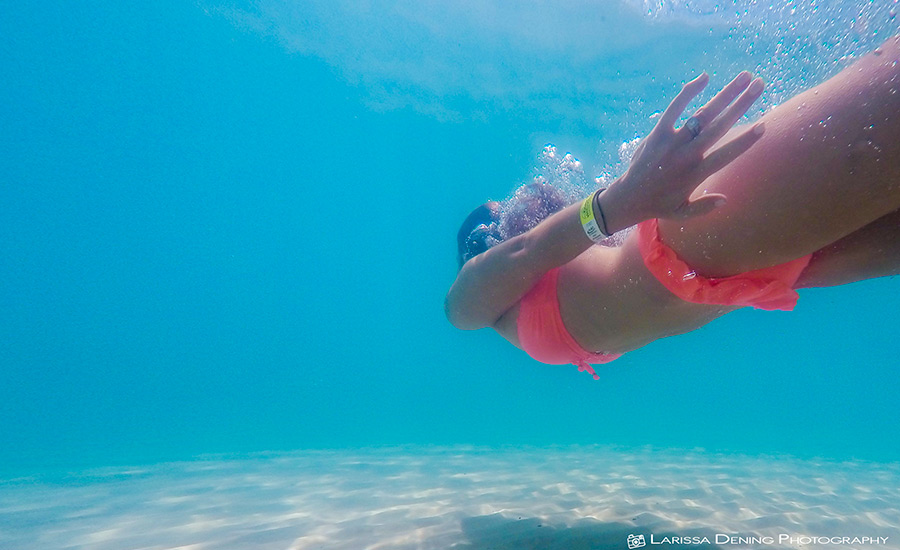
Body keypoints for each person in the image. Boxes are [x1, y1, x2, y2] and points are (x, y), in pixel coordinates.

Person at [445, 36, 900, 379]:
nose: (522, 201)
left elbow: (556, 250)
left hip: (707, 244)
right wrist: (617, 203)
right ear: (481, 246)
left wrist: (622, 202)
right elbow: (518, 258)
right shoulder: (474, 302)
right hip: (745, 272)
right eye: (502, 210)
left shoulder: (547, 292)